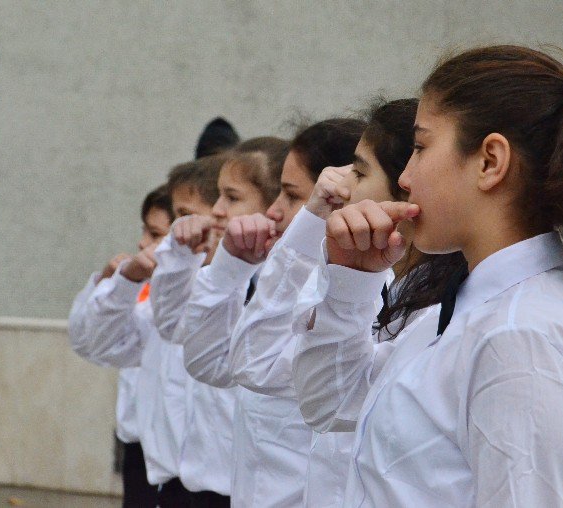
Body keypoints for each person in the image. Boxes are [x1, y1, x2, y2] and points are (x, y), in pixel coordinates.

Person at [292, 45, 563, 507]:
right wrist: (351, 282)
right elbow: (330, 404)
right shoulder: (470, 307)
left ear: (490, 162)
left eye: (421, 147)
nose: (404, 176)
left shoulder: (517, 336)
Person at [224, 100, 463, 507]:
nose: (338, 184)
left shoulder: (438, 315)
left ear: (406, 188)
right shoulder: (374, 289)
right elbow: (255, 364)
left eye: (359, 171)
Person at [178, 121, 365, 507]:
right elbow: (208, 363)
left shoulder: (353, 297)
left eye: (291, 195)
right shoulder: (285, 280)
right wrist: (231, 268)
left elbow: (250, 365)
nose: (275, 211)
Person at [149, 139, 288, 507]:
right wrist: (179, 257)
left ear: (276, 205)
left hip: (249, 487)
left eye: (232, 197)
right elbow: (174, 329)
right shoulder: (223, 272)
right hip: (197, 480)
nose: (217, 211)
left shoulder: (286, 285)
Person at [68, 184, 173, 508]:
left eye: (154, 233)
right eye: (144, 230)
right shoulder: (143, 286)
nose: (142, 242)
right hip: (138, 442)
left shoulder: (180, 297)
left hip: (171, 457)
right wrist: (111, 283)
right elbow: (88, 342)